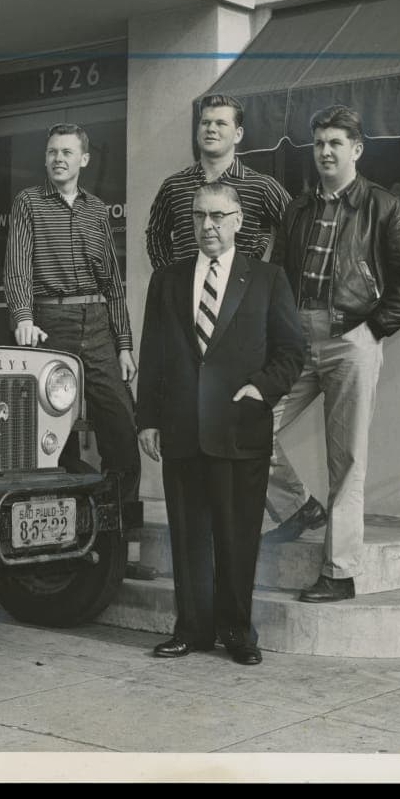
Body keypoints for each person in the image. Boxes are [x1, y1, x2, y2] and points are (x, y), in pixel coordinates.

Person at [264, 105, 400, 604]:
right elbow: (276, 278)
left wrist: (373, 329)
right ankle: (297, 508)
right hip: (297, 342)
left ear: (356, 149)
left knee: (347, 460)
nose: (325, 151)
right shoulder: (297, 208)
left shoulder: (381, 205)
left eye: (336, 143)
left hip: (350, 340)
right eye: (319, 143)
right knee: (247, 421)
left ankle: (338, 572)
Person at [136, 182, 305, 664]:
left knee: (237, 538)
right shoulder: (167, 280)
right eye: (198, 216)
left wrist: (261, 389)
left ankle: (237, 632)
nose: (207, 226)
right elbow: (153, 354)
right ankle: (192, 630)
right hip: (182, 429)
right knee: (188, 537)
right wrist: (147, 419)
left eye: (217, 216)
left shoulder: (267, 279)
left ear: (238, 221)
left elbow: (292, 351)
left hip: (239, 427)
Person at [4, 123, 141, 522]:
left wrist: (124, 344)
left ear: (84, 159)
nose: (58, 159)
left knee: (120, 422)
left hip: (97, 325)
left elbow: (113, 282)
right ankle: (61, 521)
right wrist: (24, 317)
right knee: (53, 429)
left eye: (66, 152)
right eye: (52, 152)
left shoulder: (96, 209)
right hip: (50, 323)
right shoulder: (28, 202)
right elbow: (17, 266)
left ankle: (118, 527)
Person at [145, 94, 291, 270]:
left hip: (242, 286)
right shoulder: (174, 186)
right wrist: (168, 278)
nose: (211, 129)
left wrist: (270, 276)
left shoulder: (262, 186)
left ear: (238, 134)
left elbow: (297, 230)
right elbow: (156, 235)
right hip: (187, 286)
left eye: (221, 123)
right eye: (205, 123)